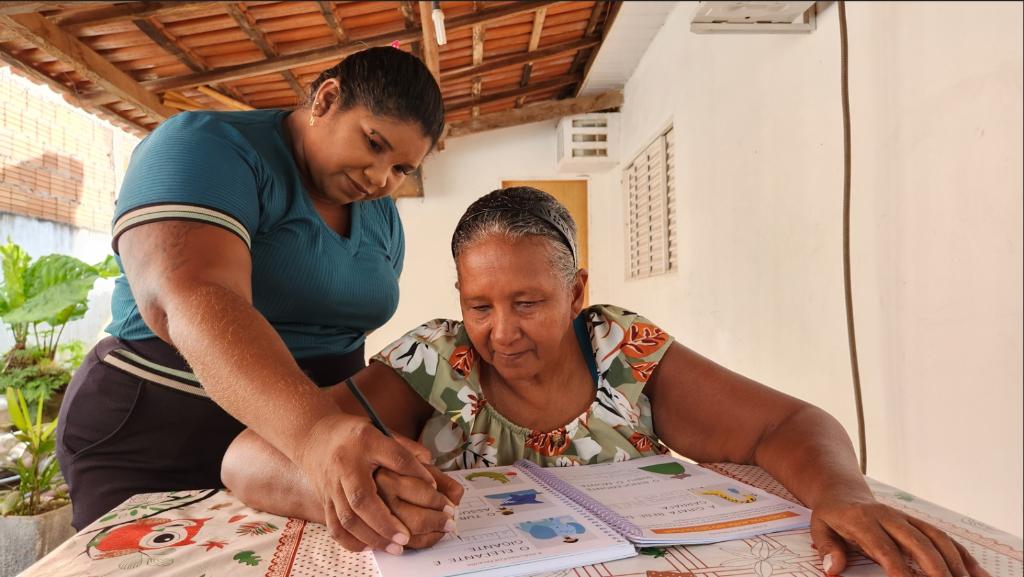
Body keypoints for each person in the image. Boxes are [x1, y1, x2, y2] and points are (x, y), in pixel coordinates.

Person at [223, 187, 989, 577]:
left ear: (577, 289)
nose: (502, 331)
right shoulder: (435, 360)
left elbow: (786, 424)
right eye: (479, 304)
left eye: (529, 302)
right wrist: (352, 491)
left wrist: (843, 493)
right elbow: (246, 457)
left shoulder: (624, 350)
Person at [55, 47, 453, 555]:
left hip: (285, 456)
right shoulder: (206, 147)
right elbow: (192, 295)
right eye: (373, 144)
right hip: (158, 435)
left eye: (401, 168)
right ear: (327, 99)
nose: (380, 179)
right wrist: (317, 433)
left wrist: (337, 441)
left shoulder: (381, 220)